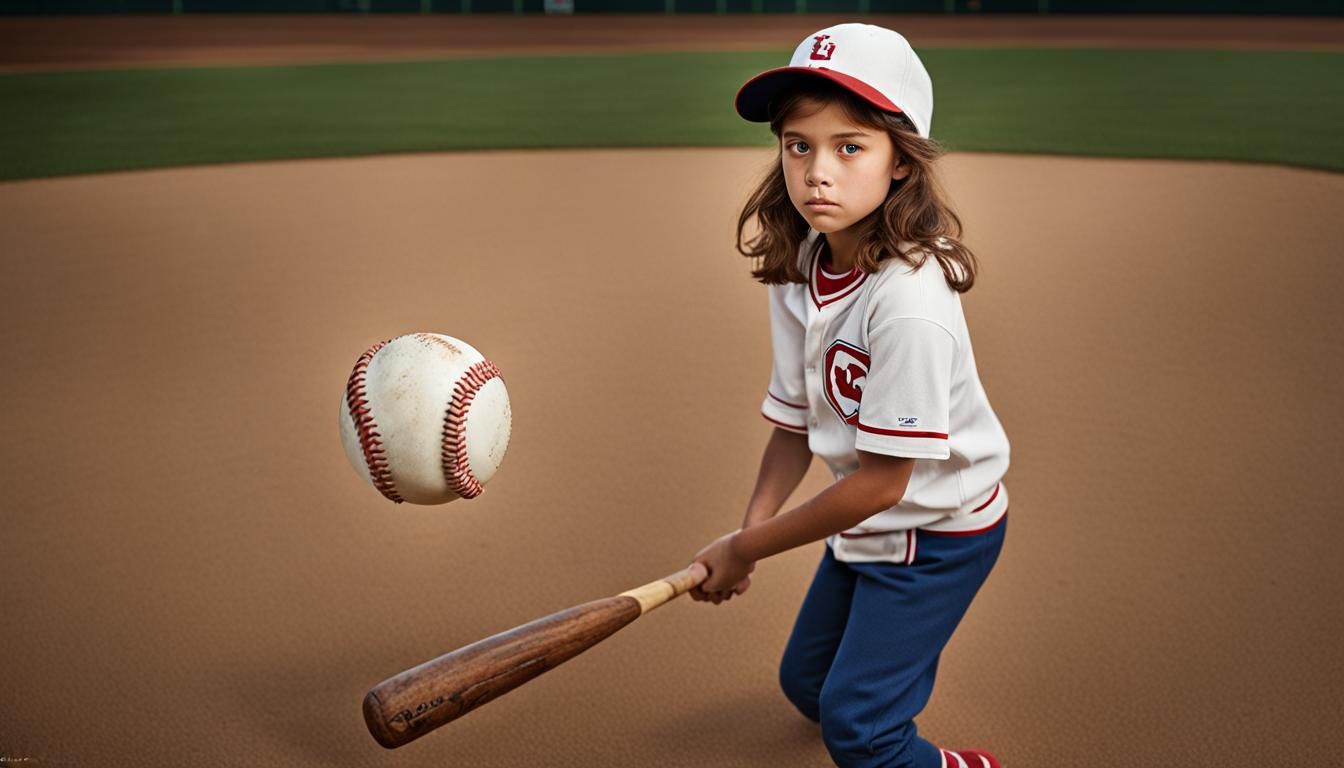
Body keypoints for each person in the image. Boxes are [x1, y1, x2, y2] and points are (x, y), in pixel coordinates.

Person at [687, 23, 1011, 768]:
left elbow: (883, 483)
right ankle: (887, 664)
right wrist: (750, 531)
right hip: (870, 523)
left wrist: (745, 548)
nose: (816, 173)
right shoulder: (805, 260)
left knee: (859, 734)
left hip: (939, 535)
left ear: (902, 162)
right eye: (798, 145)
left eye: (850, 147)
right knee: (807, 686)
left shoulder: (909, 306)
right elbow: (796, 425)